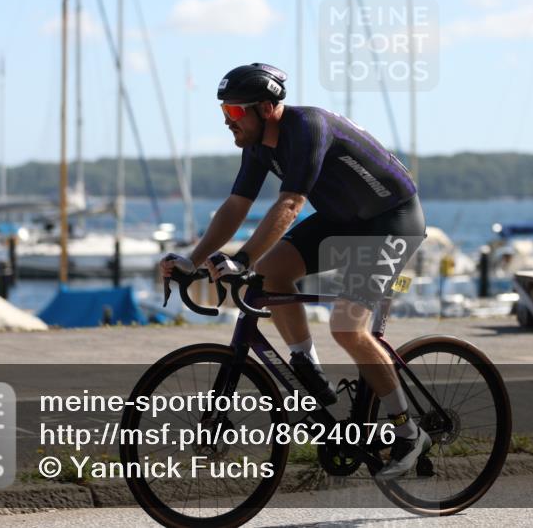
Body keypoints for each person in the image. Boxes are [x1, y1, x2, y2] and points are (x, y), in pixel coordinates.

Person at [160, 62, 429, 480]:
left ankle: (409, 432)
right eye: (223, 112)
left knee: (346, 327)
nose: (227, 121)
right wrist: (191, 261)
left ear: (266, 108)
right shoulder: (256, 146)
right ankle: (308, 369)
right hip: (344, 220)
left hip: (390, 220)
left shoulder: (307, 128)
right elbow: (236, 206)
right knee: (270, 277)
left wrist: (242, 259)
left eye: (234, 113)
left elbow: (290, 205)